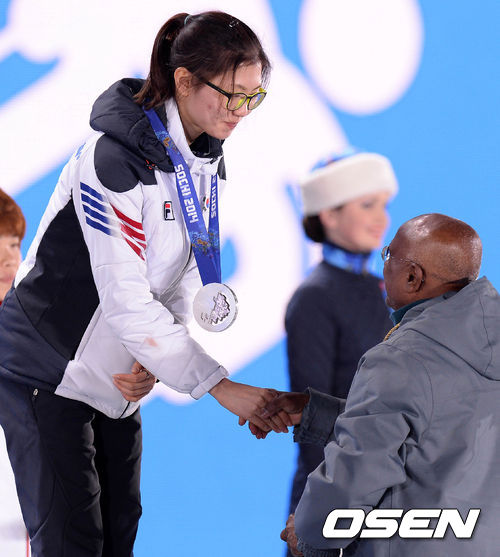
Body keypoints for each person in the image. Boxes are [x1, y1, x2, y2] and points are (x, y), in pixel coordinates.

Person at [0, 11, 283, 557]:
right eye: (230, 95)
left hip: (116, 377)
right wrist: (220, 387)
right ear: (184, 81)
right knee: (73, 542)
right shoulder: (111, 160)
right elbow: (127, 299)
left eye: (254, 96)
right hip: (45, 369)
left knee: (119, 533)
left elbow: (180, 273)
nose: (240, 111)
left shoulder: (205, 158)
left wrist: (151, 360)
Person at [264, 213, 500, 556]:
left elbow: (354, 477)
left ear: (412, 277)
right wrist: (317, 413)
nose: (383, 263)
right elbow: (441, 427)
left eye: (389, 254)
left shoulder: (400, 359)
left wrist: (311, 535)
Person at [284, 150, 396, 525]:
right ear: (329, 215)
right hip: (339, 494)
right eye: (367, 205)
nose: (381, 218)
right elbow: (312, 416)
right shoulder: (314, 298)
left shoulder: (384, 289)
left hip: (388, 486)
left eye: (383, 205)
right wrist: (326, 510)